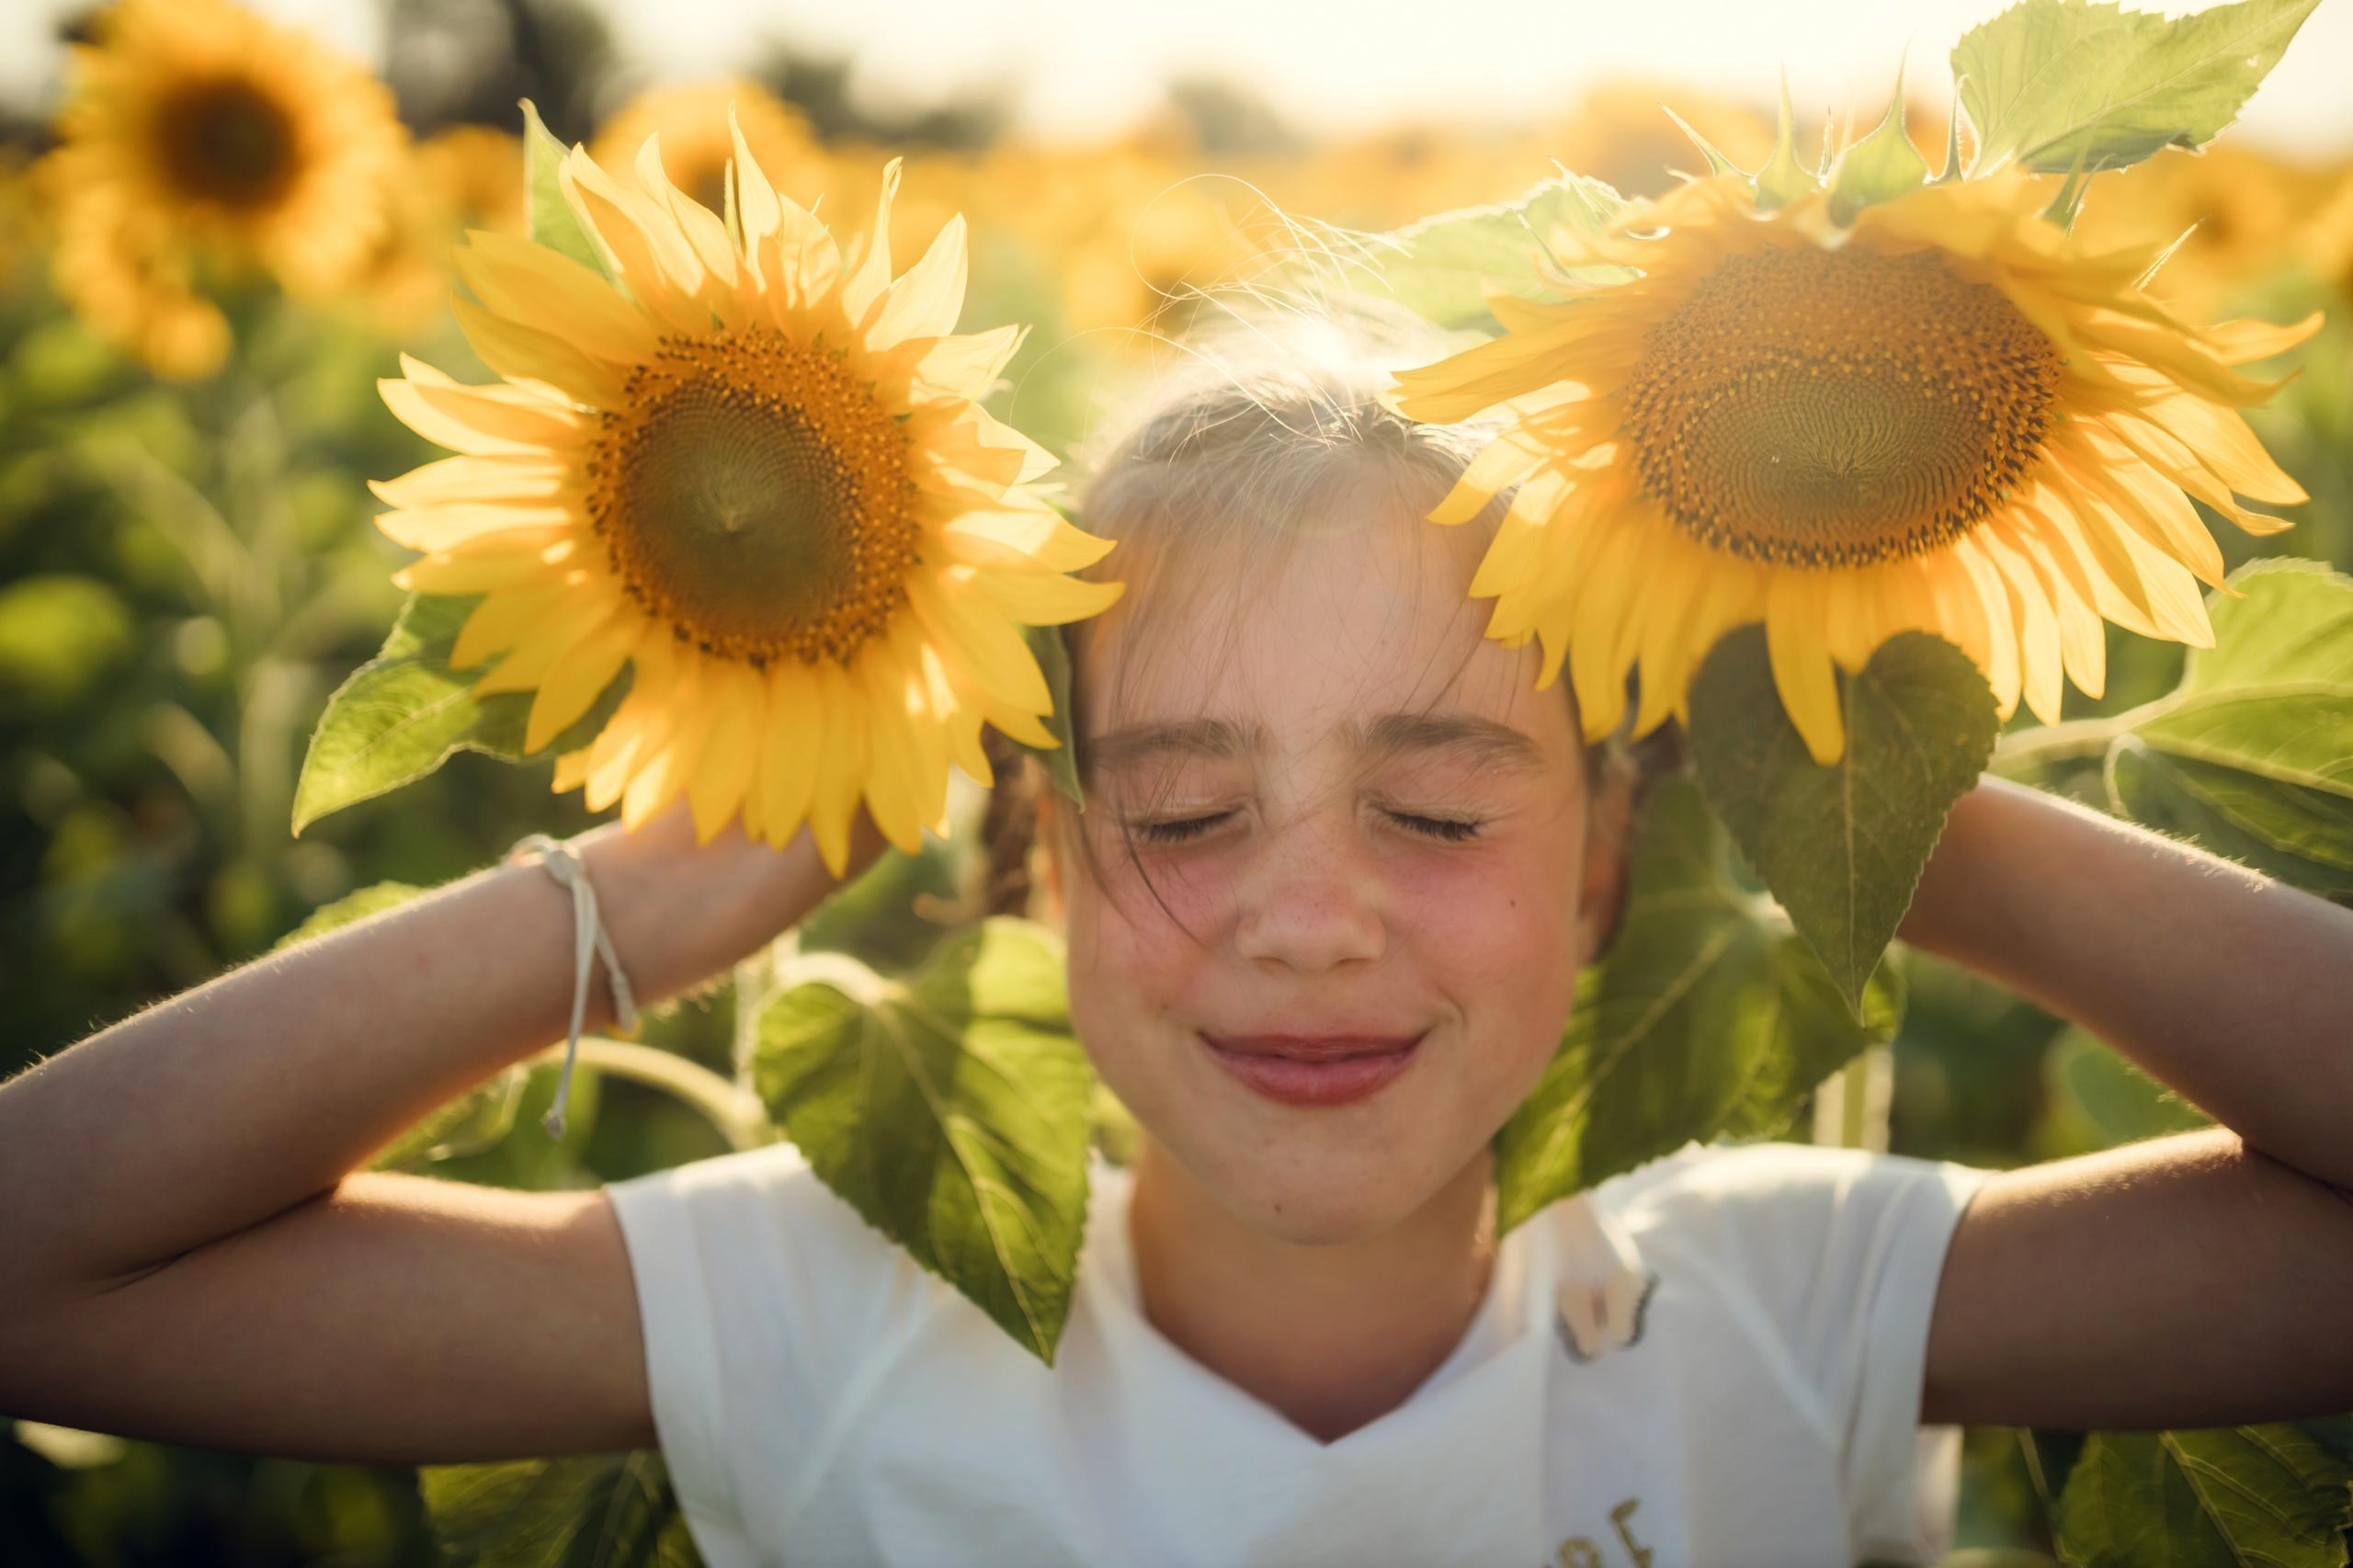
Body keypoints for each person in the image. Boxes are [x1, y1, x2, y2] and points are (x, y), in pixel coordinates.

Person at [4, 304, 2352, 1568]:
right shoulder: (826, 1310)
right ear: (1022, 851)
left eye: (1434, 802)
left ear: (1612, 857)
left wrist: (1875, 813)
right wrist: (647, 898)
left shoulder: (1763, 1297)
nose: (1304, 917)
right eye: (1183, 806)